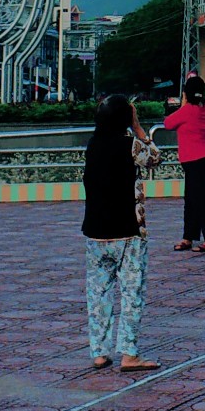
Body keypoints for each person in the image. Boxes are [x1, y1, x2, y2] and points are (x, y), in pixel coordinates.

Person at [81, 95, 162, 371]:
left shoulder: (92, 145)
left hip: (95, 231)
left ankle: (99, 352)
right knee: (131, 292)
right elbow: (154, 158)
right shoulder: (129, 145)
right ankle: (129, 353)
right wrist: (138, 126)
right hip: (127, 231)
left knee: (98, 295)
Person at [165, 76, 205, 252]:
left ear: (185, 93)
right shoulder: (204, 110)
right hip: (204, 159)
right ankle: (188, 237)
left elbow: (168, 123)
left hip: (196, 161)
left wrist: (183, 103)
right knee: (192, 199)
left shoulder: (188, 110)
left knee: (200, 200)